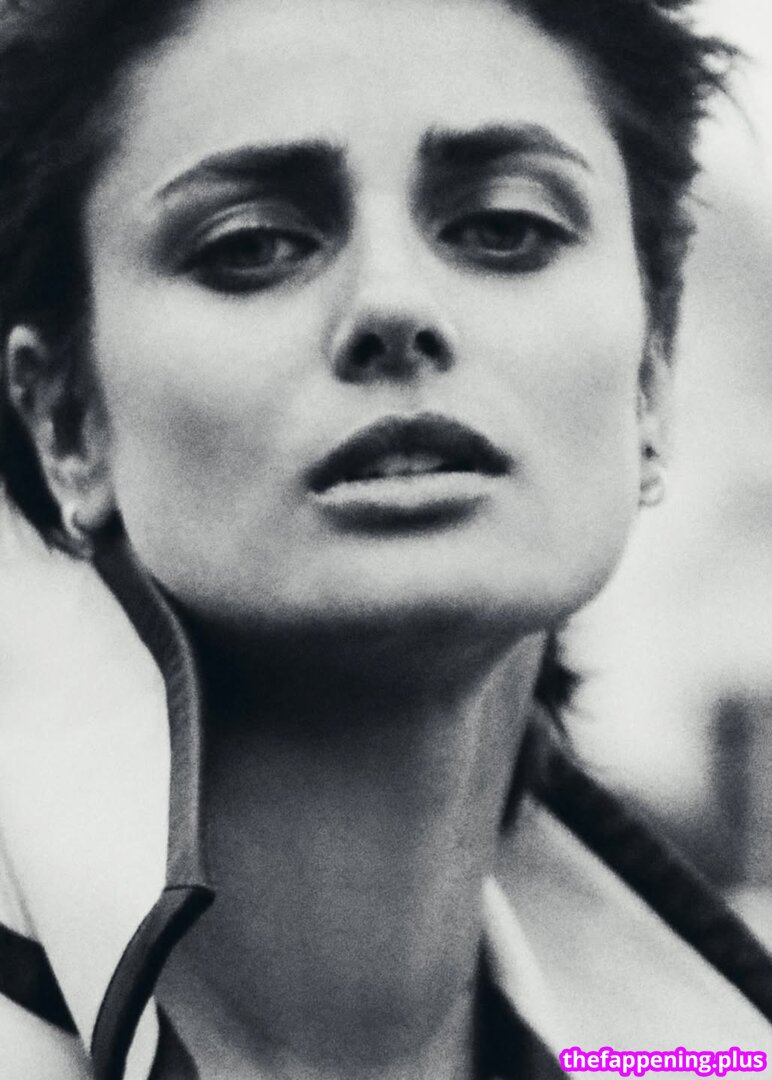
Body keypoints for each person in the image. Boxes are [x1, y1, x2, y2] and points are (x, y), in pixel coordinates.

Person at [0, 0, 770, 1077]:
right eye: (252, 244)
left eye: (505, 227)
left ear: (651, 378)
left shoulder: (715, 1052)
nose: (394, 306)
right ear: (66, 421)